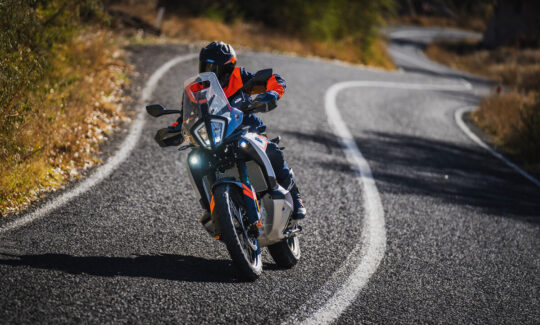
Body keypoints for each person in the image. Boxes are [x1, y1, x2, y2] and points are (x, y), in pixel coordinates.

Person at [168, 41, 306, 220]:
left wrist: (270, 94)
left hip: (245, 127)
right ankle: (210, 208)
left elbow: (274, 80)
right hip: (213, 134)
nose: (211, 71)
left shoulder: (240, 76)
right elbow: (184, 116)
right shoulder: (197, 87)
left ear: (229, 67)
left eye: (217, 68)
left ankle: (294, 195)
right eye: (206, 66)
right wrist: (172, 130)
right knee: (195, 160)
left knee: (271, 150)